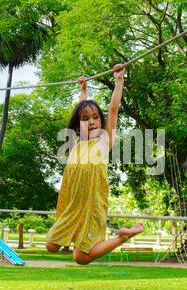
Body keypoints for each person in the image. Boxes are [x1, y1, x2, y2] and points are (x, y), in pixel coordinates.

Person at [45, 64, 145, 265]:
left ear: (101, 121)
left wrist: (119, 80)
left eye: (95, 117)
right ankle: (122, 237)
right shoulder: (78, 141)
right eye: (85, 119)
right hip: (73, 205)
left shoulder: (104, 141)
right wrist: (84, 91)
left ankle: (122, 237)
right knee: (51, 245)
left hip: (93, 204)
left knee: (81, 257)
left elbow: (114, 109)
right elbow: (82, 109)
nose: (91, 122)